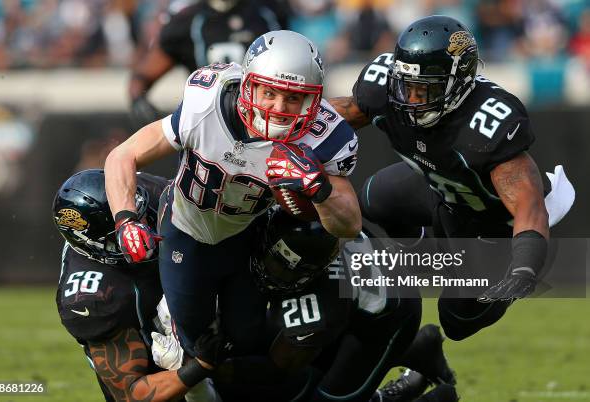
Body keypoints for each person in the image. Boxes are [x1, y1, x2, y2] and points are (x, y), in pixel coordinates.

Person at [105, 29, 362, 387]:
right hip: (185, 230)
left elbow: (349, 224)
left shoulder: (324, 136)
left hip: (245, 237)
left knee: (244, 341)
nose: (277, 108)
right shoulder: (208, 101)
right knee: (193, 348)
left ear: (313, 101)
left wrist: (320, 186)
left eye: (293, 99)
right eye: (269, 92)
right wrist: (125, 219)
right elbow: (123, 154)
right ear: (247, 85)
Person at [328, 15, 560, 342]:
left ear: (459, 81)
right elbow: (339, 116)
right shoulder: (384, 90)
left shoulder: (486, 123)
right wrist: (287, 125)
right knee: (374, 198)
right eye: (405, 85)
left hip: (494, 224)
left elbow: (529, 203)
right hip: (442, 191)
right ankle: (433, 257)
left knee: (456, 323)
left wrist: (524, 267)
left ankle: (477, 271)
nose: (409, 98)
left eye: (423, 89)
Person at [150, 207, 457, 402]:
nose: (270, 272)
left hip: (387, 314)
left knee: (328, 397)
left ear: (313, 272)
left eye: (284, 269)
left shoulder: (319, 307)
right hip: (363, 274)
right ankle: (421, 349)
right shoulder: (274, 219)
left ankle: (424, 397)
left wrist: (208, 368)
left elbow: (276, 369)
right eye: (272, 258)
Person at [53, 169, 220, 402]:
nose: (142, 229)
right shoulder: (91, 297)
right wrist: (201, 364)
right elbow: (133, 394)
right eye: (119, 234)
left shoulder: (145, 189)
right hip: (160, 368)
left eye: (138, 216)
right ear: (94, 244)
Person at [129, 0, 288, 127]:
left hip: (262, 119)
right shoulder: (187, 20)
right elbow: (143, 75)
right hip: (208, 124)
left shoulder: (268, 12)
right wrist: (139, 100)